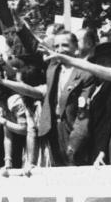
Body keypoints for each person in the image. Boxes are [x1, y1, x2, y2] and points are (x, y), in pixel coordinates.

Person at [36, 32, 96, 166]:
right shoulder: (53, 68)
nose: (60, 49)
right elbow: (33, 46)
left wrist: (75, 142)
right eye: (56, 46)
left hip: (73, 130)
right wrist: (17, 21)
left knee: (75, 170)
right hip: (53, 130)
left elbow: (83, 114)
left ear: (76, 48)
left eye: (65, 45)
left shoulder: (86, 73)